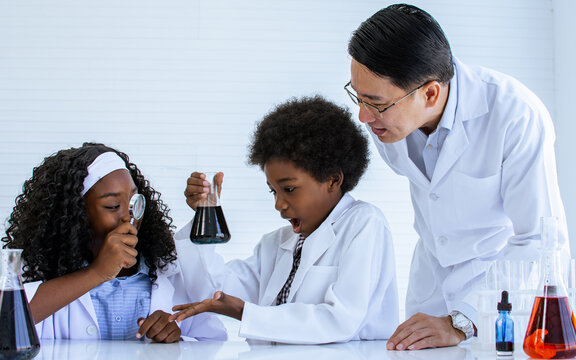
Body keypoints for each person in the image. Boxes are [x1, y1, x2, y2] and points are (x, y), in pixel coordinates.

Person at [345, 3, 569, 350]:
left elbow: (540, 239)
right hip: (429, 291)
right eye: (357, 97)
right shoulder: (389, 119)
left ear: (430, 93)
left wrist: (462, 320)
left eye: (376, 103)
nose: (363, 116)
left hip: (499, 300)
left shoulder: (514, 115)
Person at [169, 95, 399, 344]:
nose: (278, 204)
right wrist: (205, 212)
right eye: (273, 191)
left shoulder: (364, 223)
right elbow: (216, 291)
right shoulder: (277, 243)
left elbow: (339, 320)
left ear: (332, 179)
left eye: (289, 189)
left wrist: (242, 311)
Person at [2, 142, 226, 342]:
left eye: (134, 202)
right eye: (111, 206)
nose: (129, 218)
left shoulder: (169, 271)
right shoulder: (38, 273)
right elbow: (8, 323)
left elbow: (213, 341)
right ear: (73, 215)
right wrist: (98, 273)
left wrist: (176, 338)